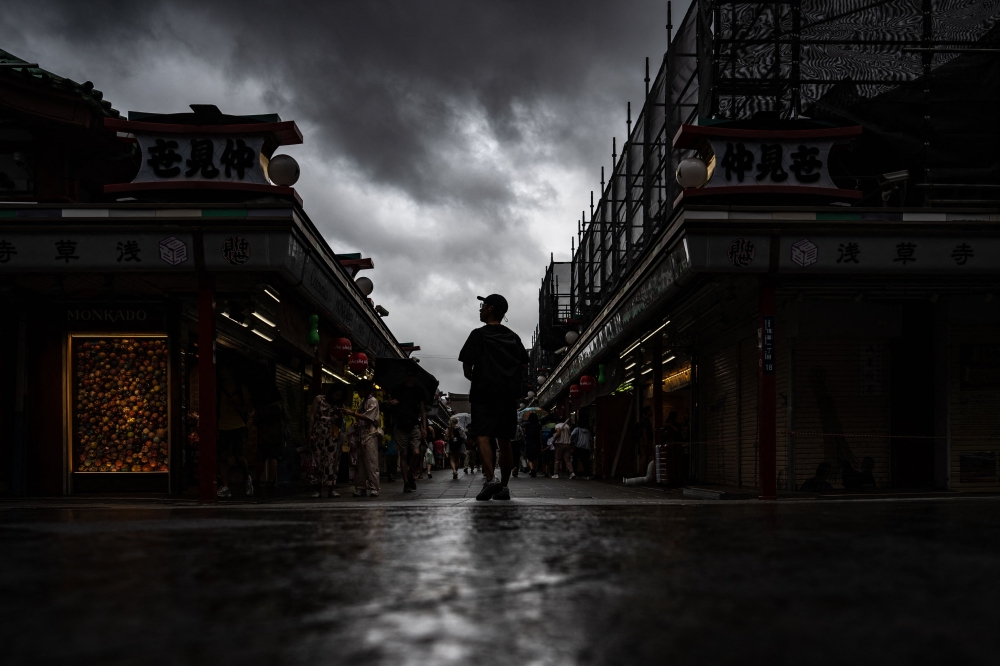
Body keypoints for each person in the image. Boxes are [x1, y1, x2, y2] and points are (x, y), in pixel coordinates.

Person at [459, 293, 530, 501]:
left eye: (483, 306)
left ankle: (490, 480)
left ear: (490, 308)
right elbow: (524, 365)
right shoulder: (513, 336)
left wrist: (481, 376)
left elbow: (466, 368)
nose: (480, 309)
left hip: (483, 393)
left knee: (483, 435)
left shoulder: (478, 335)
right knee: (504, 440)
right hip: (508, 396)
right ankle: (504, 487)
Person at [384, 368, 428, 492]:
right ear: (405, 376)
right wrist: (391, 402)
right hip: (400, 425)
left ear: (414, 377)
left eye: (412, 375)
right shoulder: (398, 389)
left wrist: (424, 427)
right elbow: (388, 404)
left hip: (414, 424)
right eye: (408, 375)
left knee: (416, 453)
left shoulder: (419, 390)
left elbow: (422, 411)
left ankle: (410, 473)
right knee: (403, 454)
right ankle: (406, 482)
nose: (410, 377)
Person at [217, 364, 254, 498]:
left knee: (239, 457)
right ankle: (226, 486)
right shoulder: (219, 388)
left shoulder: (240, 388)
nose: (223, 373)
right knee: (223, 457)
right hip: (223, 426)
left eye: (225, 369)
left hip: (238, 425)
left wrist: (236, 405)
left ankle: (246, 478)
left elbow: (249, 407)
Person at [341, 380, 380, 497]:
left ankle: (374, 487)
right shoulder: (363, 402)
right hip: (361, 435)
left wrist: (352, 414)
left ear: (366, 390)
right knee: (360, 464)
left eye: (360, 390)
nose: (358, 393)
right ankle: (361, 487)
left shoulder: (373, 401)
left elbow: (368, 417)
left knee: (371, 462)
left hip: (370, 435)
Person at [307, 385, 344, 498]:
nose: (336, 397)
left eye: (339, 396)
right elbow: (312, 415)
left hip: (333, 434)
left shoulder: (340, 405)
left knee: (332, 461)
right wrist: (310, 431)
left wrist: (340, 414)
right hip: (319, 431)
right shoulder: (319, 399)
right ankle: (317, 489)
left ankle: (331, 488)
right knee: (317, 459)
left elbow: (341, 421)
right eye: (335, 394)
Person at [523, 412, 541, 477]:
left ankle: (532, 469)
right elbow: (540, 435)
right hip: (536, 442)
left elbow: (524, 433)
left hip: (529, 442)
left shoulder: (527, 425)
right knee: (535, 457)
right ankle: (534, 469)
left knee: (529, 457)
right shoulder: (538, 426)